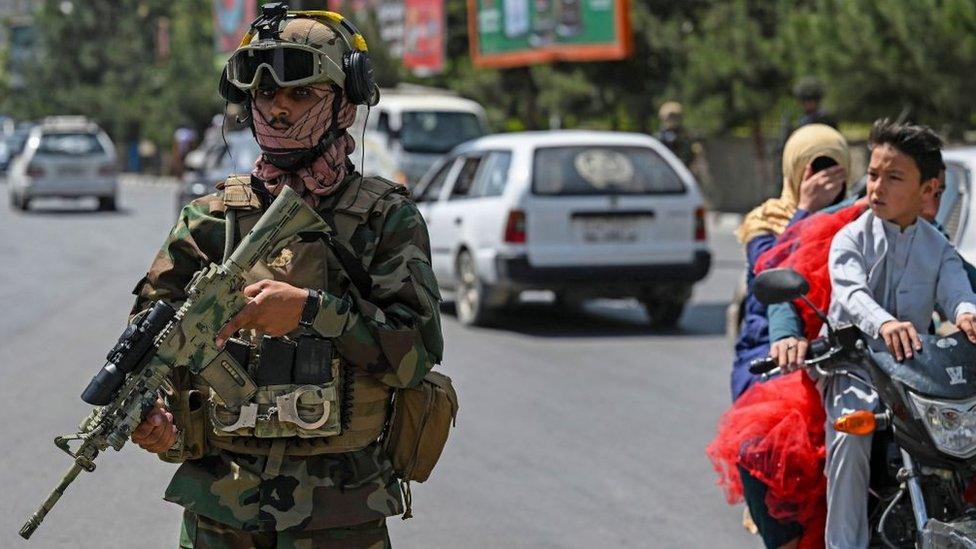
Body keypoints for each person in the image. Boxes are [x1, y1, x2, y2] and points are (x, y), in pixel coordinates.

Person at [127, 9, 443, 548]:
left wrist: (311, 312)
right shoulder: (209, 220)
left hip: (343, 511)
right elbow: (151, 339)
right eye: (265, 94)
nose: (276, 109)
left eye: (300, 95)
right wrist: (150, 413)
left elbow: (415, 353)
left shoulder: (385, 219)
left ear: (345, 103)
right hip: (220, 510)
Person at [821, 119, 976, 548]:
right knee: (850, 440)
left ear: (928, 189)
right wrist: (885, 323)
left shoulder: (938, 246)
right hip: (852, 368)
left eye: (893, 177)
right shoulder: (849, 239)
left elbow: (958, 292)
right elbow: (851, 294)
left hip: (915, 372)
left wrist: (967, 315)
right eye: (873, 174)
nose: (877, 187)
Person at [731, 124, 851, 401]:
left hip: (839, 353)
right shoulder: (767, 219)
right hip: (772, 351)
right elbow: (769, 265)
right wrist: (806, 210)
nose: (824, 179)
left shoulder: (855, 219)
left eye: (832, 167)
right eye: (815, 168)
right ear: (796, 170)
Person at [656, 101, 695, 167]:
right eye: (670, 117)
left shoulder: (684, 135)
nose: (673, 119)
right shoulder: (660, 137)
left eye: (675, 116)